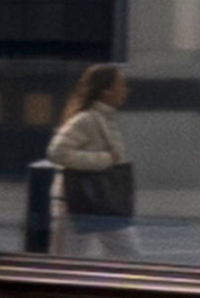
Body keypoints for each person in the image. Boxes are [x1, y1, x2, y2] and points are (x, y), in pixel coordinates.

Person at [42, 60, 136, 239]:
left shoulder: (106, 119)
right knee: (71, 262)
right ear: (106, 91)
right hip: (78, 203)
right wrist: (104, 160)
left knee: (127, 255)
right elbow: (57, 152)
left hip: (103, 201)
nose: (126, 90)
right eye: (121, 85)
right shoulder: (86, 119)